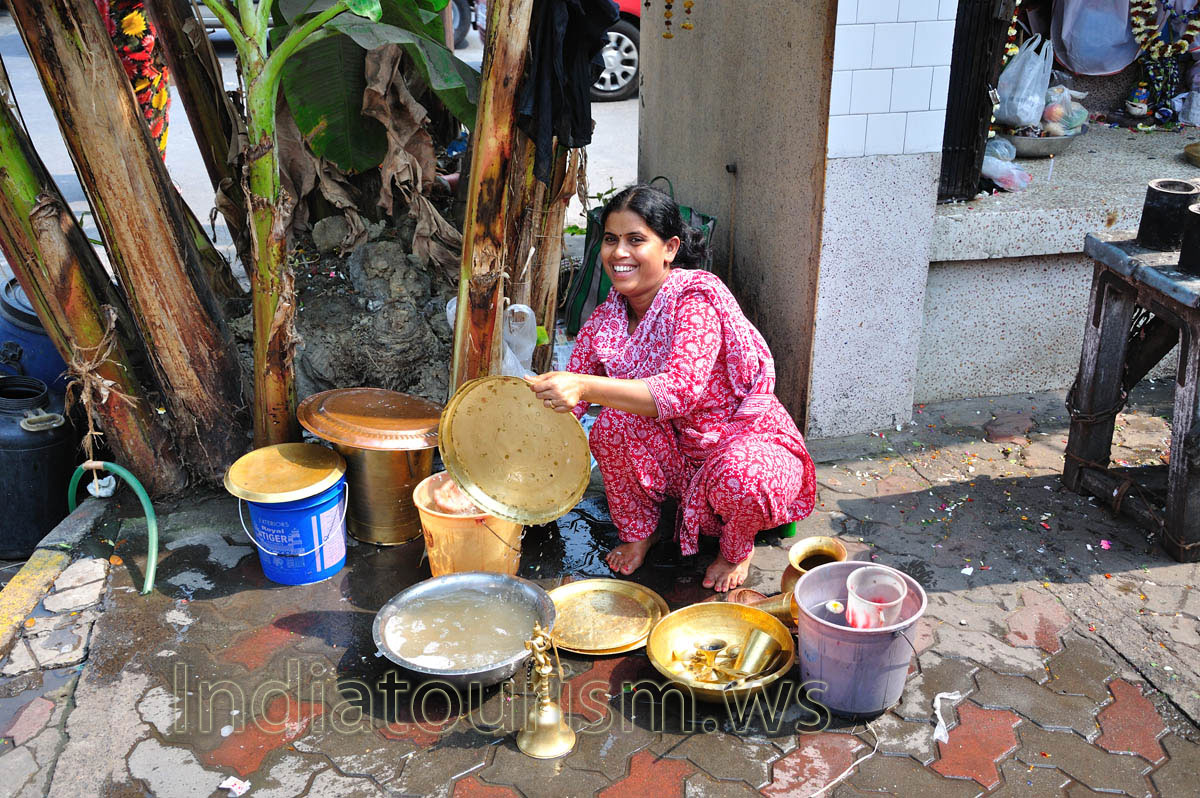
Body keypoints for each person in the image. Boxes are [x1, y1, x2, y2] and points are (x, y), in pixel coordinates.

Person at [526, 184, 816, 592]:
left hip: (736, 441)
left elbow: (678, 391)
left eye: (635, 240)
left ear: (669, 248)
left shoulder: (694, 300)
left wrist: (584, 386)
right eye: (610, 240)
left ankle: (736, 548)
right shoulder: (606, 319)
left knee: (744, 480)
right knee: (611, 426)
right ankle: (642, 531)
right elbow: (571, 402)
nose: (619, 253)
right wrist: (522, 427)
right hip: (677, 453)